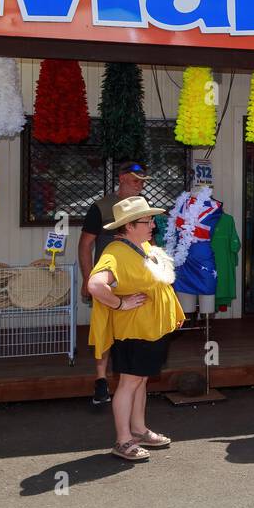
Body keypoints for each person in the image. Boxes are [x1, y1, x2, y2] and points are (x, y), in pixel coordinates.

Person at [86, 196, 185, 462]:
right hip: (133, 331)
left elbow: (159, 286)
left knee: (140, 380)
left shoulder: (143, 247)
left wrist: (172, 312)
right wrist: (120, 304)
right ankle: (123, 440)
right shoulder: (115, 253)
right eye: (147, 220)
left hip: (151, 330)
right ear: (129, 225)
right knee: (129, 383)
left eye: (152, 219)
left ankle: (138, 430)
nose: (153, 224)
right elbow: (95, 285)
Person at [79, 160, 148, 406]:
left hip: (135, 279)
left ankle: (128, 380)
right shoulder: (101, 206)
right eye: (134, 180)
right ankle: (101, 379)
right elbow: (85, 244)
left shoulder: (144, 208)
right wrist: (88, 278)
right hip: (106, 279)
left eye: (142, 181)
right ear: (121, 178)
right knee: (103, 328)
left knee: (129, 331)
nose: (139, 185)